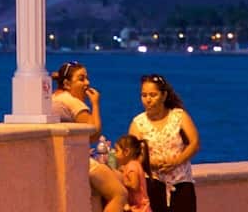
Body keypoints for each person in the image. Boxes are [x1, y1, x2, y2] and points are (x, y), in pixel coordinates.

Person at [52, 61, 126, 212]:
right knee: (119, 194)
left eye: (86, 78)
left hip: (64, 159)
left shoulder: (54, 98)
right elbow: (94, 134)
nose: (87, 83)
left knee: (96, 196)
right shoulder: (72, 102)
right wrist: (96, 104)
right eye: (81, 79)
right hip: (79, 161)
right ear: (66, 83)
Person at [131, 74, 200, 212]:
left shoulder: (179, 116)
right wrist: (151, 163)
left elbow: (194, 143)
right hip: (152, 184)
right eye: (144, 95)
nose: (148, 100)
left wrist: (176, 161)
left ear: (163, 96)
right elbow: (132, 154)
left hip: (181, 183)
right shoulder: (138, 123)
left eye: (153, 95)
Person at [113, 135, 153, 212]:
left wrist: (122, 181)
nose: (115, 155)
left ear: (126, 152)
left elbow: (134, 185)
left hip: (141, 208)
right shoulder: (133, 164)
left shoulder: (132, 166)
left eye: (117, 151)